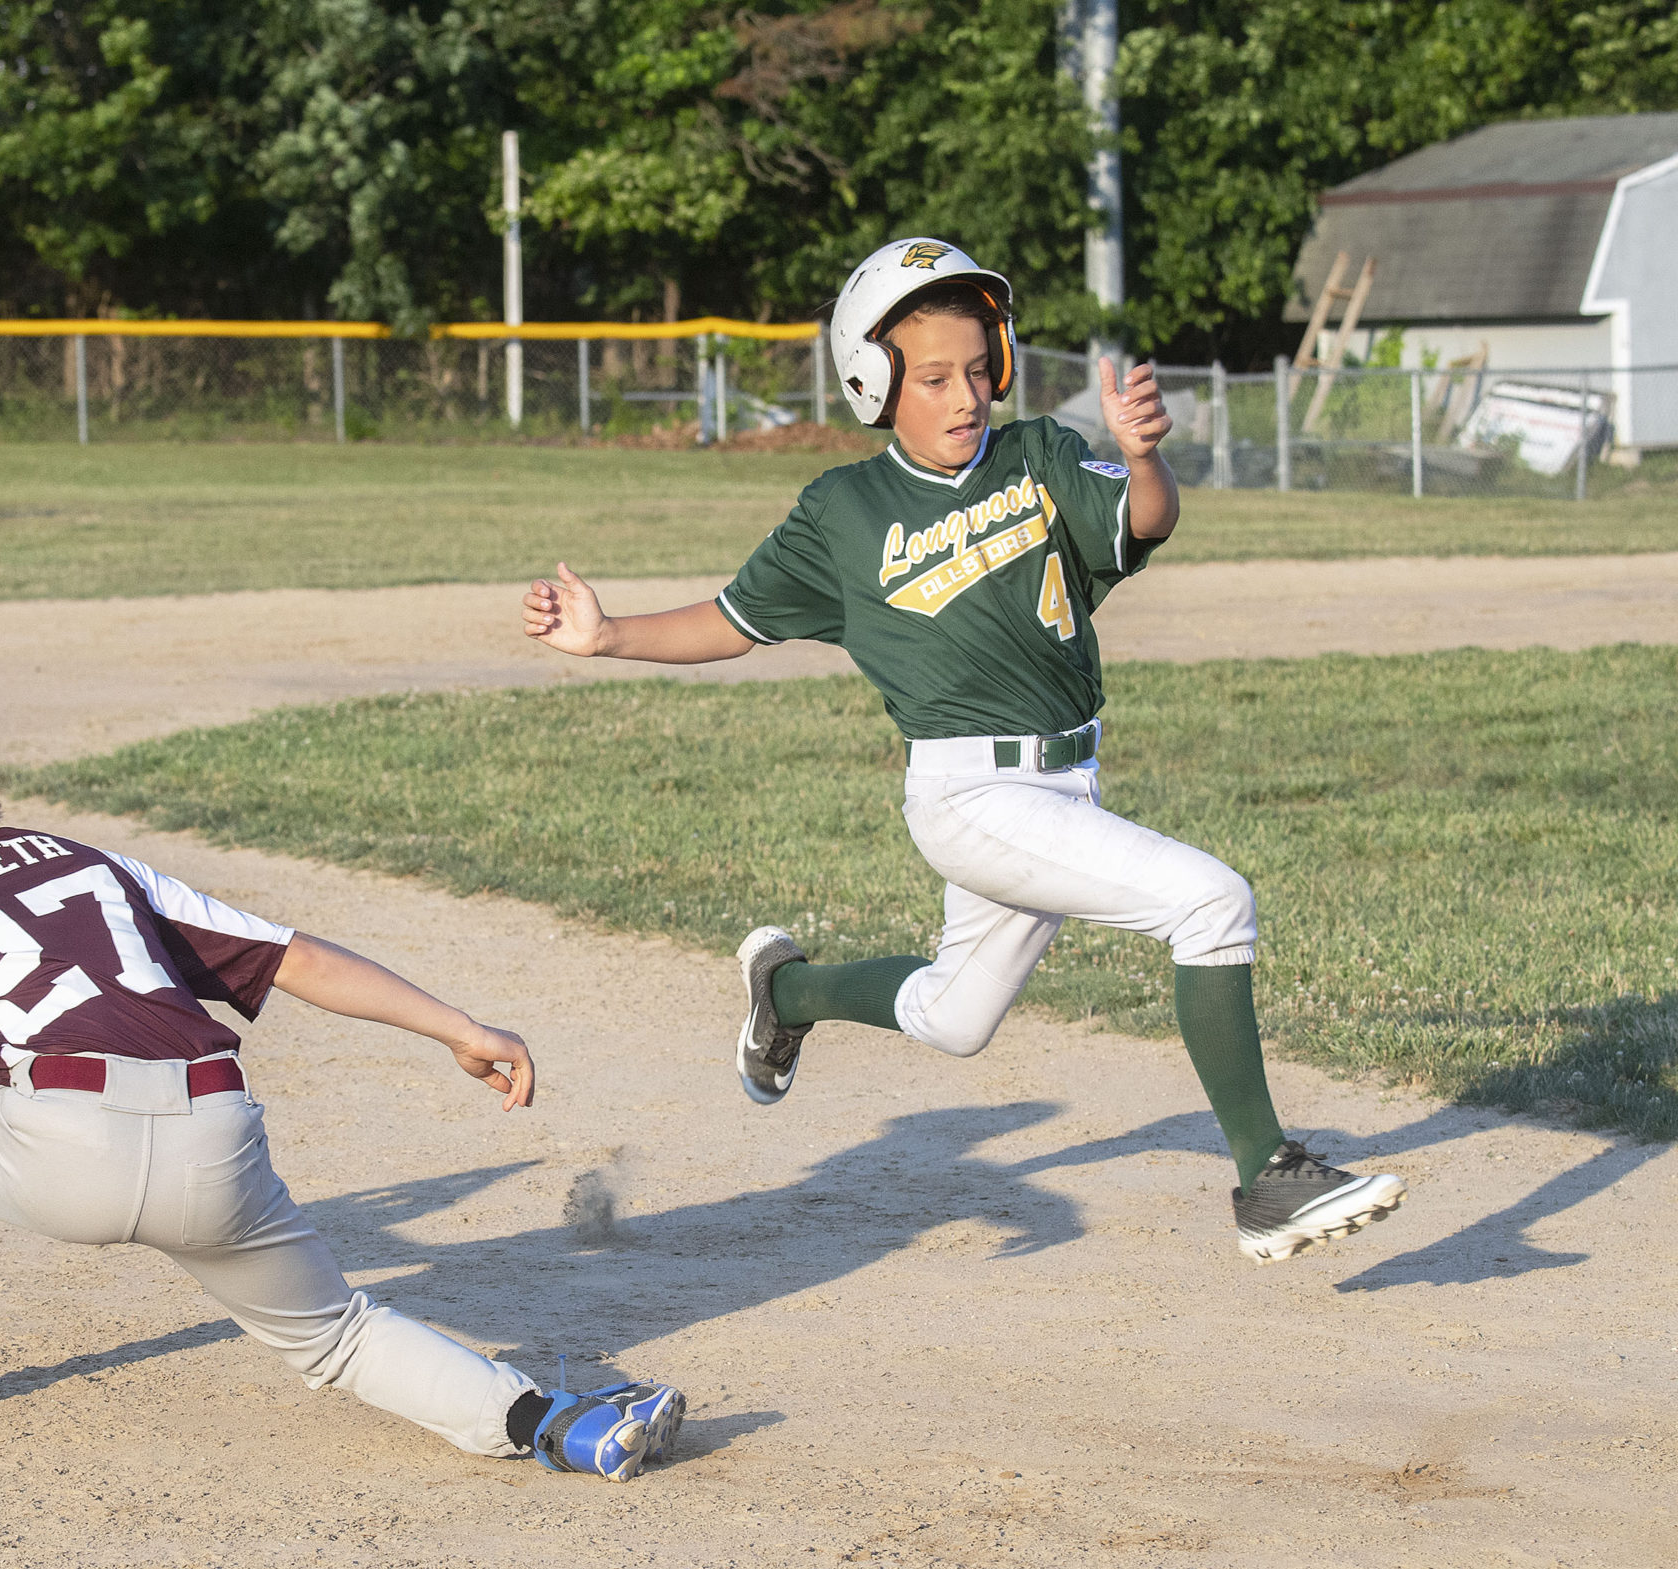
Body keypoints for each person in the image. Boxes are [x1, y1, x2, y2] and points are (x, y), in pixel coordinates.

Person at [520, 236, 1407, 1266]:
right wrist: (607, 632)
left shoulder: (1039, 458)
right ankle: (1268, 1177)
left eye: (980, 370)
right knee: (1211, 903)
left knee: (954, 1017)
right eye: (935, 376)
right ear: (872, 380)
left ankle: (787, 992)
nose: (966, 394)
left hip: (1062, 783)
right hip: (967, 794)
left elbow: (1142, 522)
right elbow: (732, 619)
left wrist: (1147, 453)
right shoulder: (843, 514)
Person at [0, 667, 687, 1482]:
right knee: (340, 1335)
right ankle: (558, 1423)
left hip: (63, 1151)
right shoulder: (90, 866)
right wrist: (457, 1026)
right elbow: (295, 959)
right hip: (219, 1136)